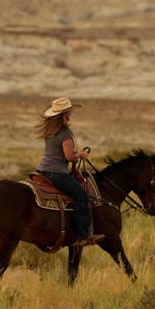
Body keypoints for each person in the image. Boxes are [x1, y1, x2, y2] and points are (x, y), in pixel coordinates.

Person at [34, 96, 104, 248]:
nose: (70, 115)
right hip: (57, 173)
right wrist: (81, 154)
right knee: (82, 196)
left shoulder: (50, 130)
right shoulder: (65, 132)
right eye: (69, 113)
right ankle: (83, 236)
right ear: (63, 115)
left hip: (42, 171)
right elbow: (68, 156)